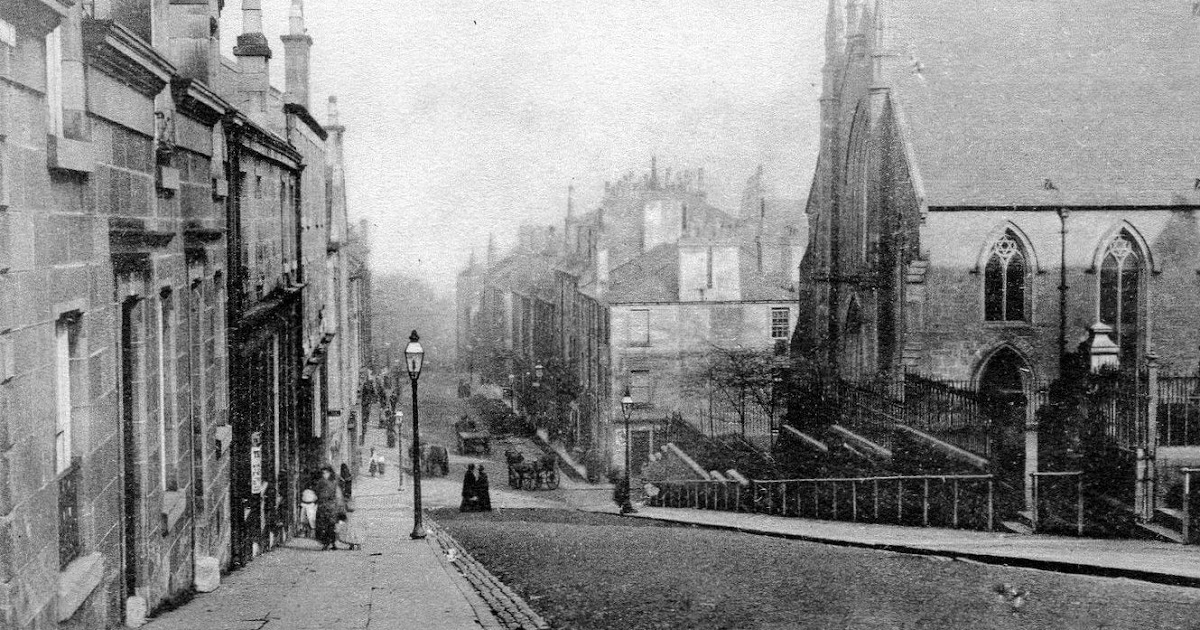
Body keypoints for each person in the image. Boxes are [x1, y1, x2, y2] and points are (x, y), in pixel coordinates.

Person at [314, 465, 343, 550]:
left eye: (326, 473)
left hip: (331, 506)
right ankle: (326, 543)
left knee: (331, 525)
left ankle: (332, 543)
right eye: (323, 473)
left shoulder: (333, 482)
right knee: (323, 526)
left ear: (330, 473)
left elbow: (338, 494)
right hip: (323, 506)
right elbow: (317, 492)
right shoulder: (320, 482)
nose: (324, 475)